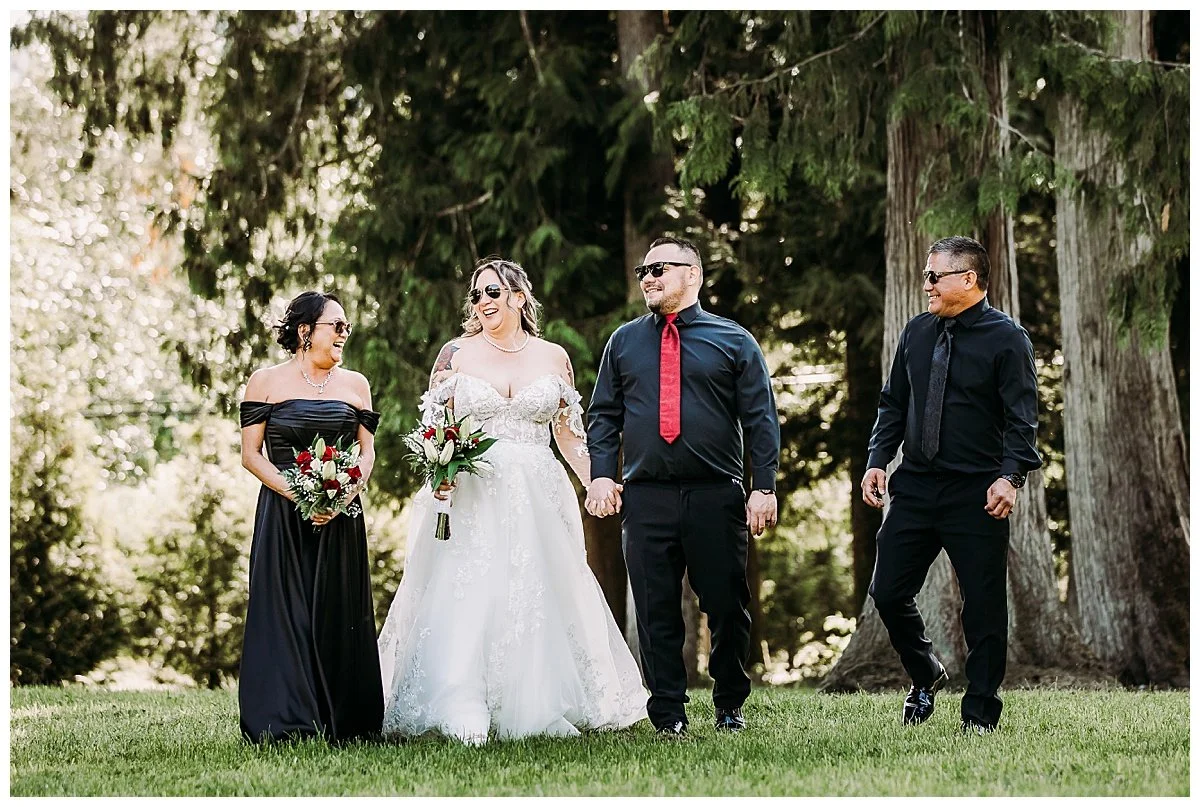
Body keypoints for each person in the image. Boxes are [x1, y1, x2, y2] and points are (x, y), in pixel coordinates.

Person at [377, 257, 647, 745]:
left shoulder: (553, 357)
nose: (483, 302)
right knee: (470, 588)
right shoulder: (455, 355)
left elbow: (568, 437)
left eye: (493, 293)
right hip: (472, 488)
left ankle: (539, 703)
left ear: (520, 298)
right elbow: (436, 430)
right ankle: (462, 701)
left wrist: (596, 483)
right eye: (477, 294)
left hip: (539, 492)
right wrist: (439, 468)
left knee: (536, 588)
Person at [585, 236, 780, 736]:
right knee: (654, 611)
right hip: (646, 496)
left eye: (659, 269)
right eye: (643, 271)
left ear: (691, 274)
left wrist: (764, 487)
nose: (647, 278)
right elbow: (603, 414)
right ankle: (668, 712)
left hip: (716, 494)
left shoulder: (735, 340)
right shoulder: (623, 342)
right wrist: (603, 472)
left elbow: (760, 420)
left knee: (727, 607)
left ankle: (730, 704)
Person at [861, 236, 1041, 735]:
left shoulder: (1008, 339)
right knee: (887, 591)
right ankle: (925, 672)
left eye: (934, 276)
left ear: (968, 280)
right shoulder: (917, 332)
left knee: (983, 607)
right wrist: (878, 460)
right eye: (925, 275)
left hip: (977, 492)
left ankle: (980, 713)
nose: (926, 285)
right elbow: (893, 404)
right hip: (915, 486)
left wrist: (1010, 477)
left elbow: (1022, 419)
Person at [238, 290, 384, 743]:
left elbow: (367, 451)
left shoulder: (356, 385)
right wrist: (301, 495)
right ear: (305, 331)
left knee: (338, 611)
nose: (344, 334)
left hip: (341, 517)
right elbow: (250, 455)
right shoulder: (265, 382)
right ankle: (285, 720)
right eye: (336, 326)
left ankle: (346, 719)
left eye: (346, 328)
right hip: (283, 517)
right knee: (286, 613)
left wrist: (339, 499)